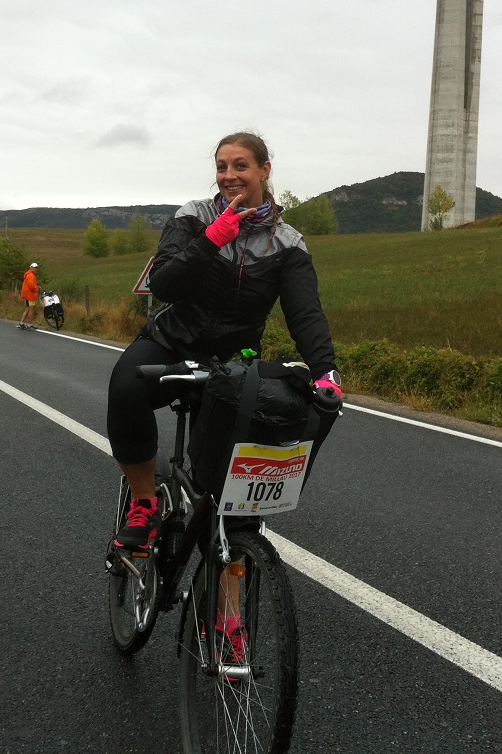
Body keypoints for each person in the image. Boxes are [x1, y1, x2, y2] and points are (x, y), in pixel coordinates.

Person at [106, 132, 341, 648]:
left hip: (231, 360)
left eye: (240, 166)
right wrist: (211, 239)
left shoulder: (288, 242)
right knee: (125, 387)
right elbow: (165, 284)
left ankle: (228, 613)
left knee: (231, 499)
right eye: (221, 166)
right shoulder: (192, 215)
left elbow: (304, 314)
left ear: (264, 170)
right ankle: (144, 504)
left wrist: (326, 372)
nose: (229, 175)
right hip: (171, 342)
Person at [18, 263, 40, 330]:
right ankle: (29, 324)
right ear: (31, 268)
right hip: (30, 296)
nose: (35, 269)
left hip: (28, 295)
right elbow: (32, 286)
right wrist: (37, 288)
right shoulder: (31, 275)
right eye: (34, 267)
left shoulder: (28, 274)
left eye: (36, 267)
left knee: (27, 309)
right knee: (31, 310)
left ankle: (21, 322)